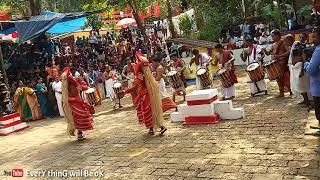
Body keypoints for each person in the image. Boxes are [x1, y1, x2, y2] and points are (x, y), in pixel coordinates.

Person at [121, 52, 167, 135]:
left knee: (147, 112)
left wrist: (125, 91)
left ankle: (154, 128)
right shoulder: (147, 73)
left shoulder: (140, 74)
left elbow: (135, 87)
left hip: (144, 95)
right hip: (149, 94)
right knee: (153, 110)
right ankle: (157, 128)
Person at [61, 67, 94, 140]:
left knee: (79, 117)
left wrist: (78, 84)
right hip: (73, 103)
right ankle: (79, 132)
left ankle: (80, 132)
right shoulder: (65, 85)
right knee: (76, 117)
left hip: (76, 101)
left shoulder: (75, 81)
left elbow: (84, 87)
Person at [263, 29, 291, 98]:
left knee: (285, 77)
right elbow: (268, 53)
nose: (272, 37)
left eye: (273, 36)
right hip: (276, 63)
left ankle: (291, 91)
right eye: (271, 36)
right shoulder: (273, 45)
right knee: (278, 78)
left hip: (283, 62)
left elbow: (288, 51)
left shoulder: (283, 42)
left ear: (278, 36)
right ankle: (281, 92)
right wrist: (264, 50)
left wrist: (279, 56)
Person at [288, 34, 312, 108]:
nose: (301, 39)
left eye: (303, 37)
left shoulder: (304, 48)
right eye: (300, 37)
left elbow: (304, 60)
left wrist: (302, 70)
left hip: (300, 68)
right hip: (295, 68)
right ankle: (305, 100)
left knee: (302, 86)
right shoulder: (295, 47)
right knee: (298, 85)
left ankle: (307, 102)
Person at [304, 27, 320, 135]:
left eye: (314, 36)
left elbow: (311, 70)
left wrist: (306, 63)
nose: (312, 39)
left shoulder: (318, 50)